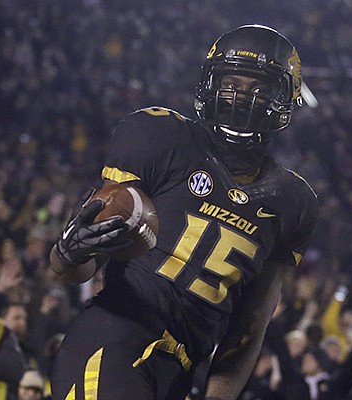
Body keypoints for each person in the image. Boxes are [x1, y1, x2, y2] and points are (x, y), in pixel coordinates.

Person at [49, 25, 319, 400]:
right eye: (231, 83)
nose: (241, 97)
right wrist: (68, 252)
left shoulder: (294, 201)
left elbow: (250, 325)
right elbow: (70, 271)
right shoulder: (161, 137)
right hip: (114, 338)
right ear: (211, 84)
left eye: (258, 88)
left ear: (283, 100)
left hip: (180, 373)